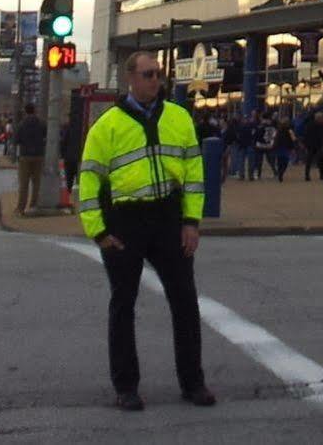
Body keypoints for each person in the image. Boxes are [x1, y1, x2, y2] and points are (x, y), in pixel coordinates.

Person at [76, 51, 214, 411]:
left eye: (159, 74)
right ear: (131, 80)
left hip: (168, 217)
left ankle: (193, 382)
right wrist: (99, 232)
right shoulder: (107, 126)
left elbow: (195, 175)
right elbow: (89, 182)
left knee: (185, 301)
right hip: (126, 221)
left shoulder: (179, 118)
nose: (156, 80)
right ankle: (126, 387)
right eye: (149, 74)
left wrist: (191, 223)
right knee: (123, 305)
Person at [14, 102, 47, 216]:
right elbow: (45, 136)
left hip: (25, 156)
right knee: (36, 182)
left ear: (25, 111)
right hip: (38, 155)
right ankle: (33, 205)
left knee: (24, 183)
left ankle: (21, 208)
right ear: (35, 110)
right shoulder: (41, 123)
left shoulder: (22, 124)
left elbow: (16, 139)